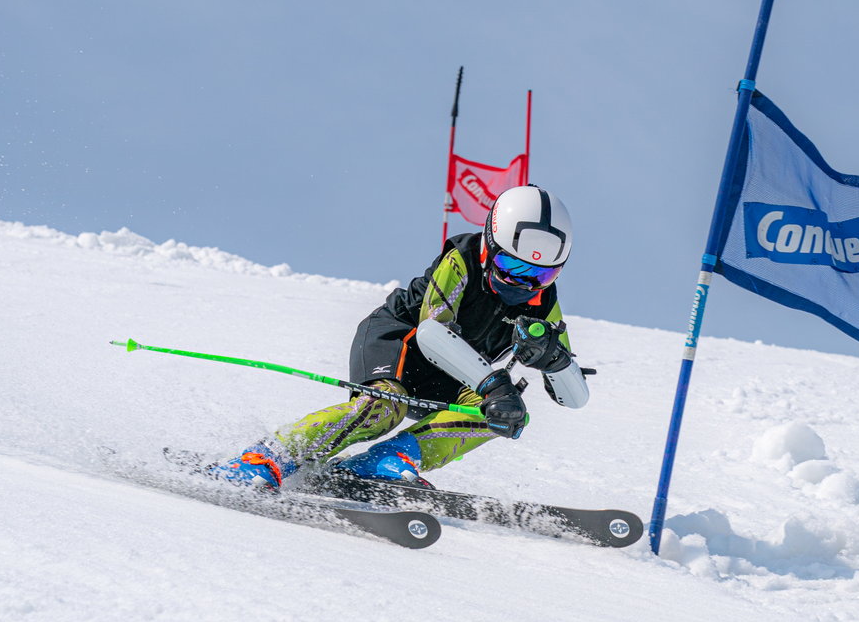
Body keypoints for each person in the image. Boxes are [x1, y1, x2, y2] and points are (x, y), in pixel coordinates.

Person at [212, 185, 589, 490]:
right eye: (511, 266)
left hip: (457, 373)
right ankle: (267, 458)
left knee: (504, 415)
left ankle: (387, 460)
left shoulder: (543, 303)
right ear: (490, 246)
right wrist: (494, 382)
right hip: (400, 344)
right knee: (385, 406)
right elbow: (432, 332)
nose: (522, 284)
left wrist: (553, 360)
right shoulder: (463, 259)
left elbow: (574, 398)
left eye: (540, 276)